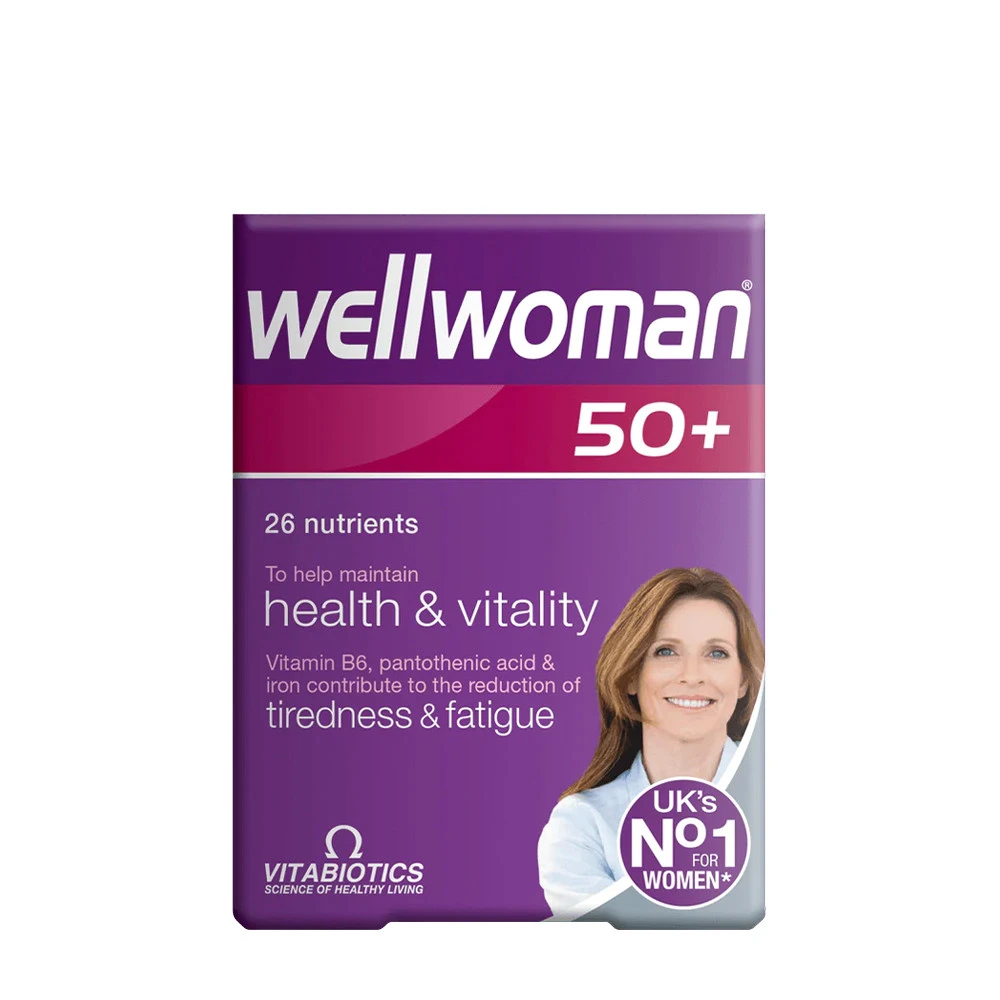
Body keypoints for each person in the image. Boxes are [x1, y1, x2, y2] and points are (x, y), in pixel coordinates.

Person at [537, 567, 764, 915]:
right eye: (666, 652)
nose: (692, 676)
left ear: (744, 680)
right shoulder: (581, 825)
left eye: (716, 653)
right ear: (630, 674)